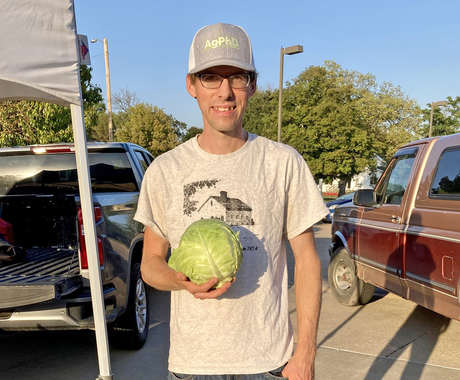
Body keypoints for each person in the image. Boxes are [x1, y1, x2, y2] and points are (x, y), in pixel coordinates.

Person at [135, 23, 329, 380]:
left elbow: (307, 260)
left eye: (237, 77)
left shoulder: (283, 162)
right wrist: (181, 280)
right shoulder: (164, 170)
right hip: (192, 366)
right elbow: (150, 264)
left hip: (269, 363)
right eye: (210, 77)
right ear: (191, 85)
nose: (225, 92)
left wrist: (306, 352)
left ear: (252, 85)